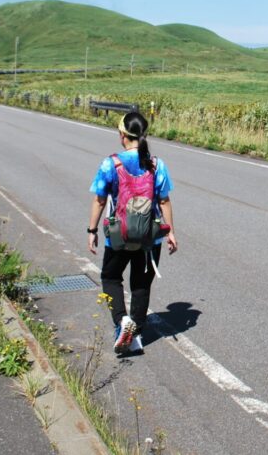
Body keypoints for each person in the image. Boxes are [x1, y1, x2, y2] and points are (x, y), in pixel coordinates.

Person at [88, 111, 178, 354]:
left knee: (110, 277)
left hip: (119, 235)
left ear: (122, 135)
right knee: (141, 284)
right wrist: (170, 232)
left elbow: (99, 200)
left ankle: (121, 321)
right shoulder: (157, 164)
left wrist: (92, 230)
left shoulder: (111, 163)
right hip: (150, 237)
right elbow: (164, 201)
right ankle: (136, 335)